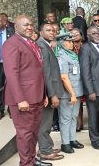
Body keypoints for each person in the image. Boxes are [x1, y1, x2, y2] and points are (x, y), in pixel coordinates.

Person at [3, 15, 49, 166]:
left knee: (33, 133)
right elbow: (11, 73)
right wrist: (20, 99)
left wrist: (44, 94)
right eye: (25, 25)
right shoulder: (11, 44)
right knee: (25, 134)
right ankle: (26, 163)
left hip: (36, 96)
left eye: (31, 24)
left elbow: (38, 71)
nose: (30, 27)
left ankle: (31, 160)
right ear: (16, 27)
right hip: (23, 99)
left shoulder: (30, 42)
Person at [36, 24, 65, 161]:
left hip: (50, 90)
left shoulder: (46, 45)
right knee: (45, 123)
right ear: (40, 32)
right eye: (48, 30)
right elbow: (46, 73)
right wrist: (52, 94)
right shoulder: (42, 46)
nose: (52, 32)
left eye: (53, 30)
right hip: (48, 92)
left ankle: (48, 146)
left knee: (47, 123)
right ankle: (45, 151)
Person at [57, 34, 84, 153]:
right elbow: (64, 77)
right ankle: (65, 143)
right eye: (68, 42)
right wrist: (72, 94)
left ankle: (72, 139)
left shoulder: (72, 55)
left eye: (72, 42)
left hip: (76, 91)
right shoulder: (61, 56)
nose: (71, 44)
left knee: (73, 117)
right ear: (62, 43)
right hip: (67, 93)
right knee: (66, 118)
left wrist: (75, 93)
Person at [0, 14, 14, 121]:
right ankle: (0, 111)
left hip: (10, 65)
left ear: (4, 22)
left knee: (11, 88)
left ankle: (11, 110)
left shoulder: (12, 33)